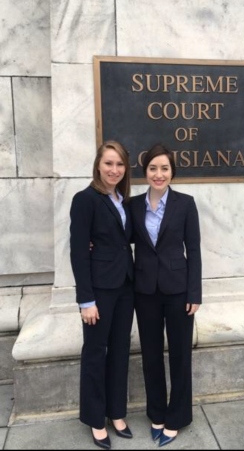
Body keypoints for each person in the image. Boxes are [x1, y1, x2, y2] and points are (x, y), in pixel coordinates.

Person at [129, 143, 202, 447]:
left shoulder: (186, 204)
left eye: (165, 168)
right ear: (145, 172)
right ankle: (157, 413)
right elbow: (120, 240)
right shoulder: (132, 206)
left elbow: (194, 250)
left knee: (181, 354)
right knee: (150, 355)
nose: (159, 174)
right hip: (145, 291)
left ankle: (178, 416)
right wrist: (94, 244)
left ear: (172, 172)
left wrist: (195, 293)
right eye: (153, 168)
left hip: (178, 290)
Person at [69, 140, 134, 450]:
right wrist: (86, 299)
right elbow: (79, 252)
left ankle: (116, 412)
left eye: (119, 164)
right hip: (99, 291)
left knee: (121, 350)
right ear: (98, 165)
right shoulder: (85, 200)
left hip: (125, 287)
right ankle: (96, 419)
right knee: (96, 352)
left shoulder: (123, 199)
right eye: (109, 163)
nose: (114, 169)